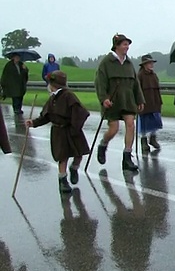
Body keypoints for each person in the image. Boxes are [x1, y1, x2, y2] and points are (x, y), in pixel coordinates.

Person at [25, 70, 91, 193]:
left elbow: (81, 113)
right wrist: (33, 123)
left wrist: (75, 128)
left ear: (53, 85)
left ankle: (74, 168)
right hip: (58, 132)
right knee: (63, 156)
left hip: (71, 130)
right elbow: (46, 116)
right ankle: (63, 181)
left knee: (78, 154)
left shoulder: (69, 96)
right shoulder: (52, 99)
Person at [94, 33, 145, 171]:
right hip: (112, 101)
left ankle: (127, 158)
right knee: (114, 129)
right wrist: (104, 98)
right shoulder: (106, 62)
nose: (127, 47)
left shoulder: (129, 63)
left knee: (130, 124)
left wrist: (139, 99)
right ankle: (103, 144)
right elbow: (100, 82)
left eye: (128, 44)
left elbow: (136, 83)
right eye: (124, 44)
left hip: (128, 100)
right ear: (116, 46)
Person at [137, 54, 163, 153]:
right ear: (144, 65)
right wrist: (139, 102)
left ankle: (153, 139)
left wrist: (159, 102)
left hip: (155, 101)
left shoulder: (154, 75)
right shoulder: (140, 76)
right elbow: (137, 90)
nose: (151, 65)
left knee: (155, 121)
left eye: (152, 63)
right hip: (144, 102)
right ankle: (143, 142)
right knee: (144, 123)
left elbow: (157, 90)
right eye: (149, 63)